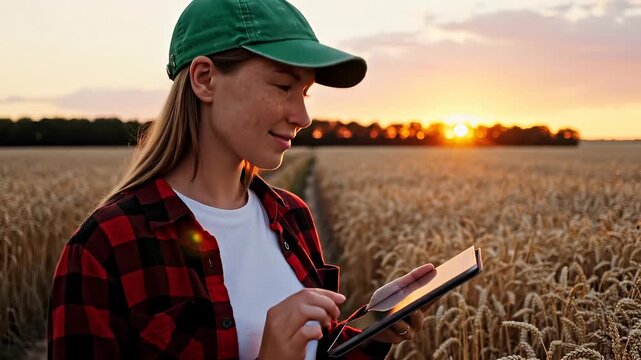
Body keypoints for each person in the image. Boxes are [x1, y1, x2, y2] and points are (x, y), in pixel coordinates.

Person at [47, 0, 425, 359]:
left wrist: (371, 328)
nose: (303, 116)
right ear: (205, 79)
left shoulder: (291, 217)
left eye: (306, 93)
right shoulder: (106, 245)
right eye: (283, 87)